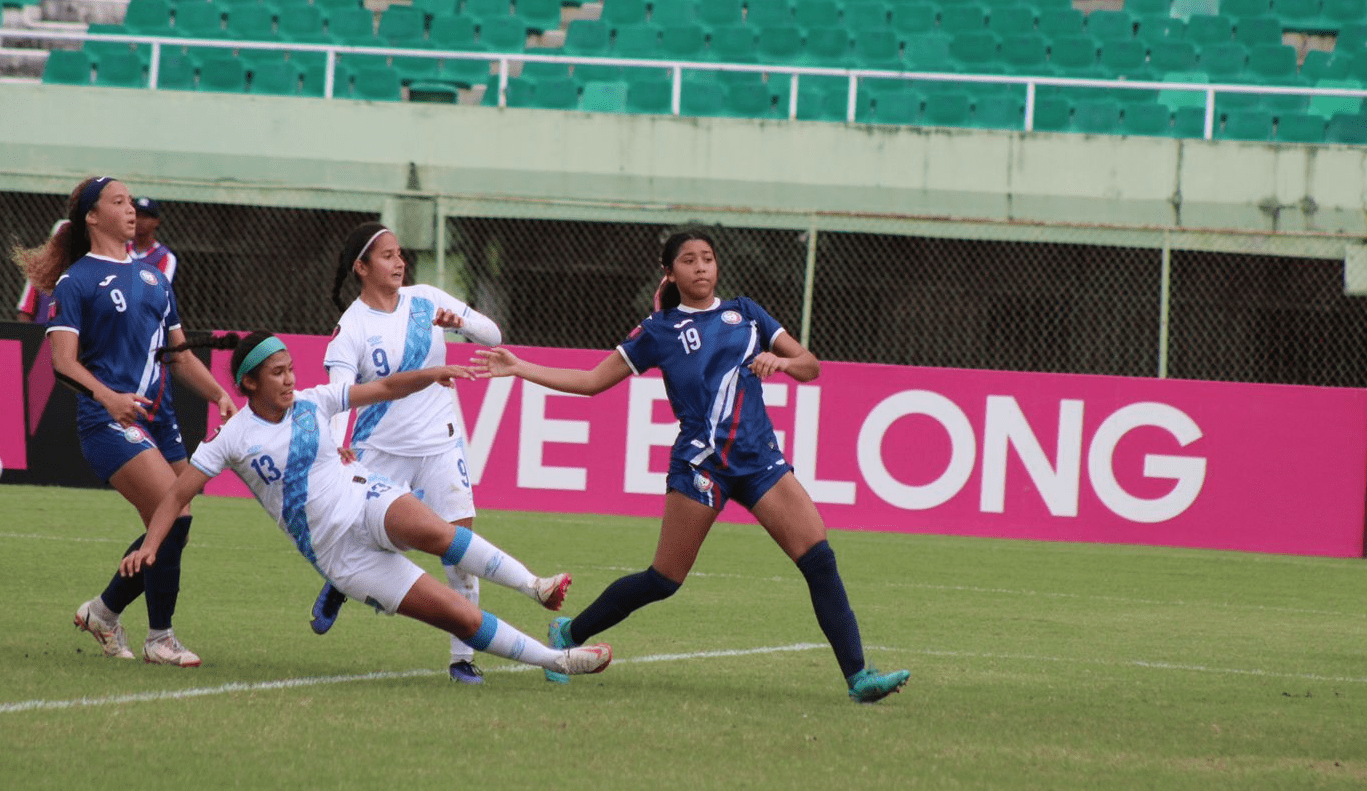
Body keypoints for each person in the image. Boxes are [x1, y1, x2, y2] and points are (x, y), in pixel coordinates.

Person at [474, 229, 910, 704]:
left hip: (760, 460)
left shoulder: (746, 313)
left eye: (708, 258)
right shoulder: (658, 330)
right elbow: (592, 381)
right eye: (689, 260)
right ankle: (568, 633)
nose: (701, 267)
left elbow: (810, 365)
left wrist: (782, 364)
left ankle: (858, 678)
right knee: (664, 579)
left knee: (819, 560)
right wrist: (520, 367)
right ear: (671, 272)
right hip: (701, 463)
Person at [117, 331, 613, 680]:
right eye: (277, 373)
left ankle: (535, 585)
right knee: (460, 618)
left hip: (365, 497)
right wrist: (151, 546)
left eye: (291, 369)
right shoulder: (232, 438)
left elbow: (383, 387)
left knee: (437, 533)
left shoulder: (314, 400)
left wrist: (431, 372)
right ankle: (557, 662)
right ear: (249, 383)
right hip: (339, 557)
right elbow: (178, 493)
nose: (290, 380)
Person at [312, 221, 570, 685]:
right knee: (364, 538)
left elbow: (492, 335)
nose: (399, 262)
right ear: (361, 267)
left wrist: (463, 323)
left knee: (459, 550)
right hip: (379, 450)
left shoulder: (426, 298)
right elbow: (338, 395)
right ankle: (339, 583)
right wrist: (336, 445)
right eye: (387, 256)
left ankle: (462, 658)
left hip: (440, 443)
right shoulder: (351, 327)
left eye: (399, 254)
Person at [12, 176, 237, 666]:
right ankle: (161, 638)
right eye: (118, 202)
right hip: (107, 419)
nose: (131, 209)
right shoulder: (78, 281)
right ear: (92, 217)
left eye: (131, 201)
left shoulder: (156, 278)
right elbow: (63, 363)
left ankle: (104, 611)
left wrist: (220, 392)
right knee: (173, 514)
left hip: (161, 418)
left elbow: (177, 356)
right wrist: (109, 398)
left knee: (175, 524)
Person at [127, 197, 178, 284]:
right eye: (137, 216)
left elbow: (160, 290)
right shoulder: (120, 249)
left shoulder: (165, 256)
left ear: (157, 221)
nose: (140, 221)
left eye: (146, 217)